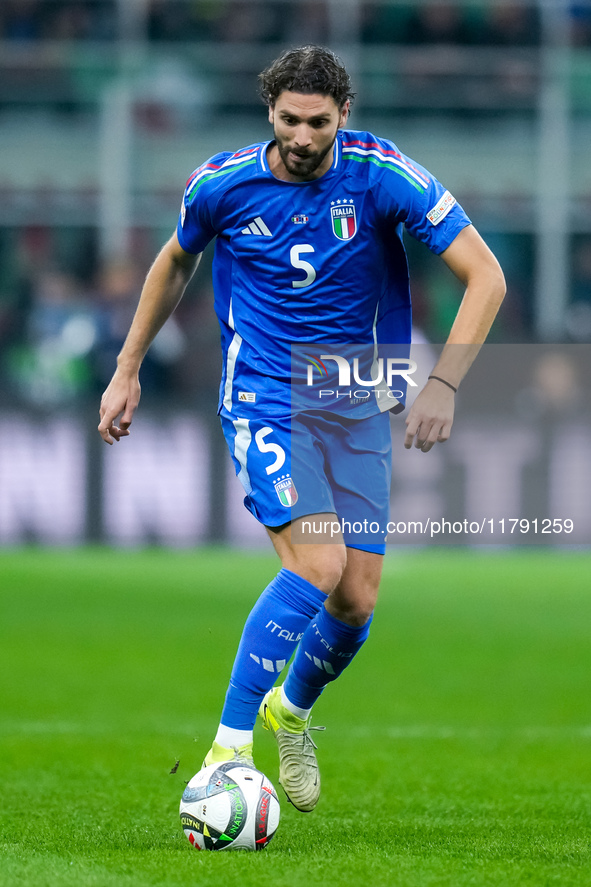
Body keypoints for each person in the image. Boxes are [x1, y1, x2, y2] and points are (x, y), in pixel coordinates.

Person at [98, 45, 505, 813]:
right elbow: (173, 260)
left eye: (318, 122)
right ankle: (225, 749)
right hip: (264, 395)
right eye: (289, 119)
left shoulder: (384, 176)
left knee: (355, 601)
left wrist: (443, 382)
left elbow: (485, 274)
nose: (303, 136)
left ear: (343, 116)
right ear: (270, 114)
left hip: (354, 402)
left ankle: (292, 710)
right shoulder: (221, 184)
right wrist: (127, 366)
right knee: (318, 561)